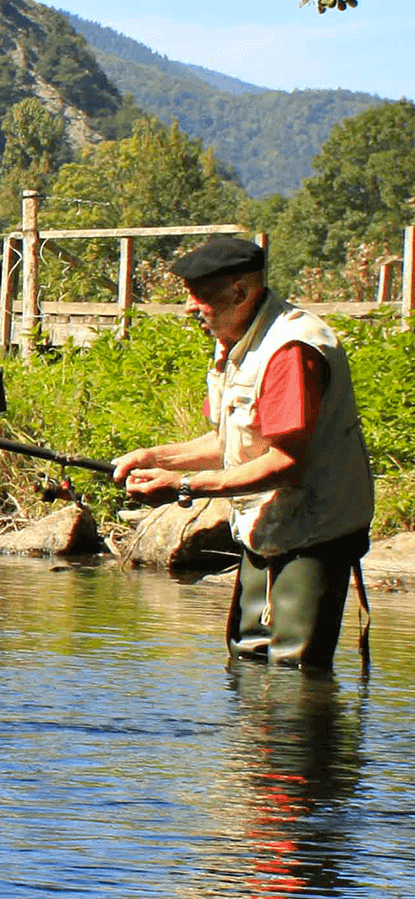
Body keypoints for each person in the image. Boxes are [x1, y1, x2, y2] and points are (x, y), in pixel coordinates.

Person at [112, 236, 373, 671]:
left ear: (239, 292)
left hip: (315, 530)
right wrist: (153, 457)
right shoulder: (237, 339)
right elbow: (228, 441)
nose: (189, 307)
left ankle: (298, 742)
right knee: (248, 657)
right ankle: (252, 741)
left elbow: (286, 463)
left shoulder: (290, 350)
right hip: (269, 524)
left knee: (294, 670)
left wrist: (183, 487)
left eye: (199, 295)